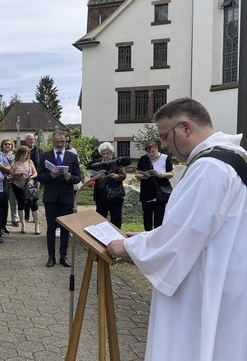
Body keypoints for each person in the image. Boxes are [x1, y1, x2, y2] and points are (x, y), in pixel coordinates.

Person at [107, 97, 247, 360]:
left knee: (194, 346)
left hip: (204, 283)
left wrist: (126, 246)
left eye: (165, 136)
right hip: (226, 271)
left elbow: (184, 236)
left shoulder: (210, 168)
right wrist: (147, 236)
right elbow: (198, 227)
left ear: (185, 127)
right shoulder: (231, 158)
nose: (164, 145)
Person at [37, 131, 81, 267]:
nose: (60, 144)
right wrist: (51, 176)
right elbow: (40, 177)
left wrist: (70, 178)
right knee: (51, 228)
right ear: (53, 142)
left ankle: (63, 256)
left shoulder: (72, 156)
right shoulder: (45, 156)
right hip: (51, 197)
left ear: (66, 141)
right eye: (57, 142)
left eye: (62, 142)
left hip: (66, 197)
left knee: (65, 229)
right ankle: (51, 257)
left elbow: (78, 177)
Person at [135, 141, 174, 231]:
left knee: (159, 216)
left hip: (160, 190)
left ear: (157, 149)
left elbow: (171, 173)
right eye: (149, 152)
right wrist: (143, 176)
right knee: (147, 216)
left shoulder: (164, 158)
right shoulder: (143, 159)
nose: (151, 154)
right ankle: (147, 234)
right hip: (147, 191)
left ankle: (158, 236)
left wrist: (163, 175)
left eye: (153, 151)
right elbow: (137, 173)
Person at [90, 142, 126, 228]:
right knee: (100, 219)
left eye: (108, 153)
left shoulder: (117, 162)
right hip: (101, 195)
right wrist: (94, 176)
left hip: (115, 195)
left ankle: (116, 238)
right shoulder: (98, 163)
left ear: (111, 153)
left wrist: (116, 176)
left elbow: (123, 175)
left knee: (116, 219)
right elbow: (92, 175)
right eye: (103, 154)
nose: (106, 155)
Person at [11, 145, 37, 234]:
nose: (24, 156)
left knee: (33, 204)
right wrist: (16, 175)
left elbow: (35, 173)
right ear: (19, 154)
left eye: (26, 154)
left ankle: (36, 226)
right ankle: (23, 225)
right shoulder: (14, 163)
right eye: (22, 154)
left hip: (29, 186)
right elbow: (11, 176)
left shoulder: (30, 162)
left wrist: (30, 177)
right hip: (18, 186)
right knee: (21, 204)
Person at [23, 133, 41, 234]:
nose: (32, 141)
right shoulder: (22, 150)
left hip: (36, 178)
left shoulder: (39, 151)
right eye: (30, 139)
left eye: (33, 139)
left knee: (35, 199)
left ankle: (36, 218)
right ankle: (26, 216)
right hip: (24, 179)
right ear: (25, 140)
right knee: (25, 199)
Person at [0, 137, 18, 232]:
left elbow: (15, 169)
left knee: (13, 201)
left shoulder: (15, 157)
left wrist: (5, 168)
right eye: (5, 144)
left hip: (13, 181)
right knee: (2, 204)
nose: (7, 145)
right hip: (2, 181)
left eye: (9, 144)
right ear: (2, 146)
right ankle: (2, 224)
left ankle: (14, 219)